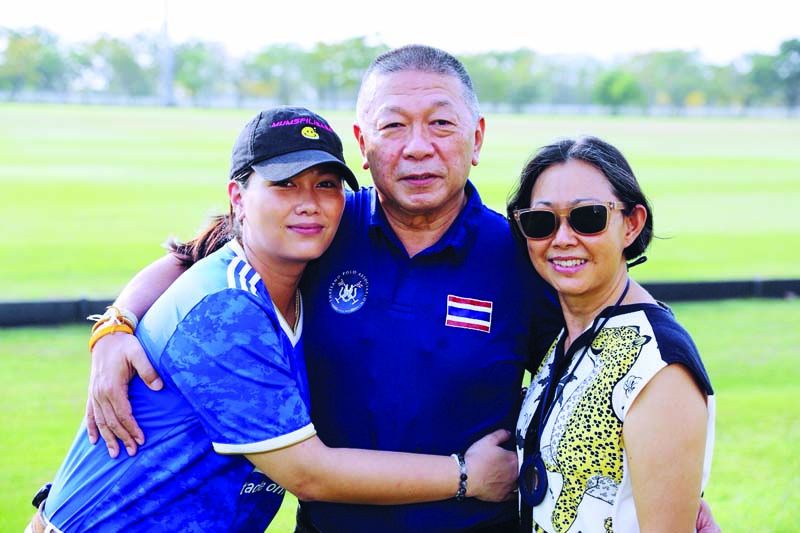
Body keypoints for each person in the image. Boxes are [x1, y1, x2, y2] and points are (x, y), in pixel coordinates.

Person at [82, 46, 720, 532]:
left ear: (477, 138)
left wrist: (679, 490)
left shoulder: (522, 251)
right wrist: (115, 325)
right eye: (393, 127)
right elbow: (192, 260)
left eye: (441, 124)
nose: (418, 148)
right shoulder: (322, 226)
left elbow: (609, 342)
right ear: (362, 145)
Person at [28, 106, 519, 533]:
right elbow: (306, 472)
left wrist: (117, 321)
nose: (308, 203)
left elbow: (187, 255)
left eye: (325, 185)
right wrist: (467, 476)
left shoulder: (305, 263)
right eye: (284, 184)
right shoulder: (227, 310)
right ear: (238, 197)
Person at [507, 136, 715, 532]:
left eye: (588, 217)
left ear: (631, 224)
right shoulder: (572, 336)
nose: (562, 238)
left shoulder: (660, 366)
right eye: (541, 221)